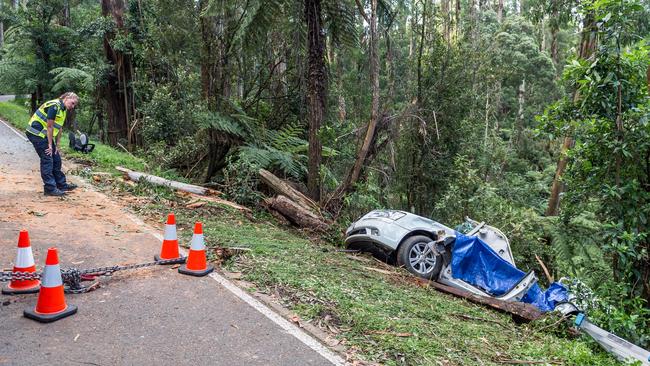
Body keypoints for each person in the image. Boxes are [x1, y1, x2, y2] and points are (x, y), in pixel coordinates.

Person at [26, 92, 79, 196]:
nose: (72, 107)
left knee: (56, 158)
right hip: (36, 133)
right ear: (67, 98)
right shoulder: (54, 106)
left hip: (45, 135)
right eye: (72, 103)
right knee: (47, 159)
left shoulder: (63, 109)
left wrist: (57, 145)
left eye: (74, 105)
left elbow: (58, 127)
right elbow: (49, 126)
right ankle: (49, 188)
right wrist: (50, 145)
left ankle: (61, 184)